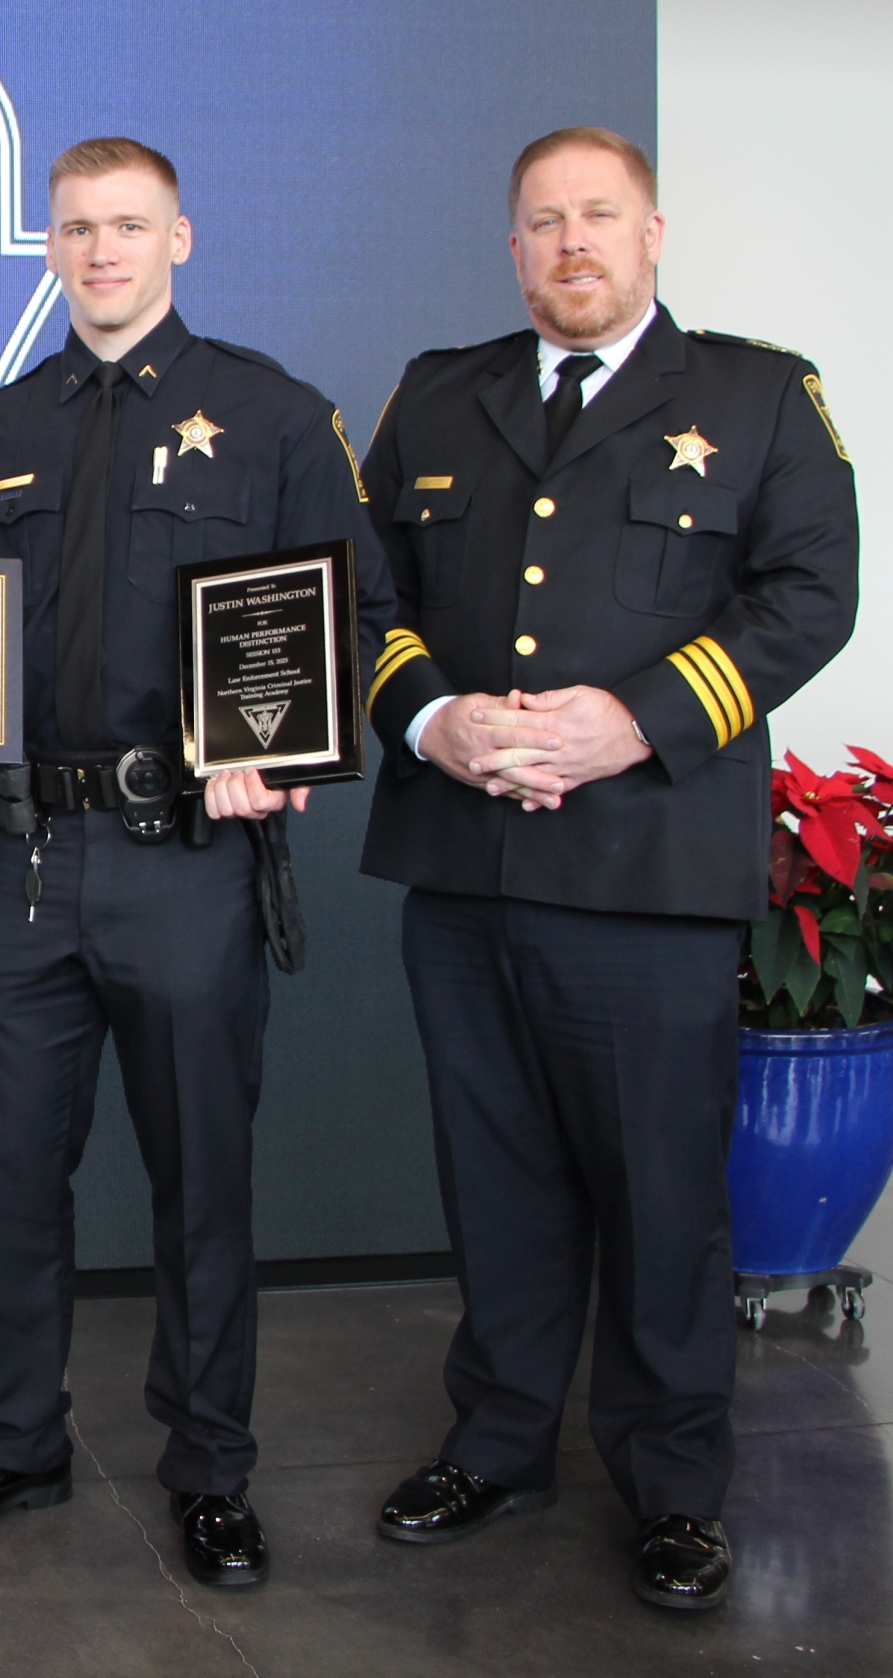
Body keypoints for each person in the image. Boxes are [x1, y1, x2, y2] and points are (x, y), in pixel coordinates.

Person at [0, 138, 394, 1587]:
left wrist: (282, 744)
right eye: (76, 230)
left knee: (201, 1183)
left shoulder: (278, 415)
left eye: (129, 226)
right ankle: (16, 1438)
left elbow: (351, 619)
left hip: (187, 856)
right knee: (11, 1176)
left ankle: (210, 1468)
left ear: (181, 237)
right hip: (23, 864)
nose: (102, 251)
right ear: (49, 249)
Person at [358, 126, 858, 1611]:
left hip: (648, 873)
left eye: (599, 217)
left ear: (652, 234)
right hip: (467, 871)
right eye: (542, 223)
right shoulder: (438, 392)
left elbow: (810, 592)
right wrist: (431, 717)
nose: (571, 244)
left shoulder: (760, 394)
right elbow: (358, 590)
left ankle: (674, 1483)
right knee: (497, 1183)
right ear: (513, 249)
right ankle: (501, 1441)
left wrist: (633, 722)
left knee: (658, 1197)